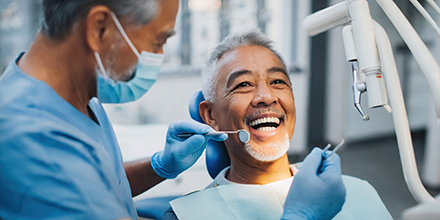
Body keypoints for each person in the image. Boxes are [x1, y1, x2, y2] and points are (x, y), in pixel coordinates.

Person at [0, 1, 344, 219]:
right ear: (100, 29)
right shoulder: (35, 142)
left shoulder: (78, 97)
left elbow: (100, 180)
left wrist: (159, 166)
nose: (266, 96)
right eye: (158, 41)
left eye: (278, 81)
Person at [162, 29, 393, 220]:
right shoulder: (188, 215)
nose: (267, 96)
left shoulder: (357, 190)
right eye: (243, 84)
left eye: (277, 81)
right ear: (211, 116)